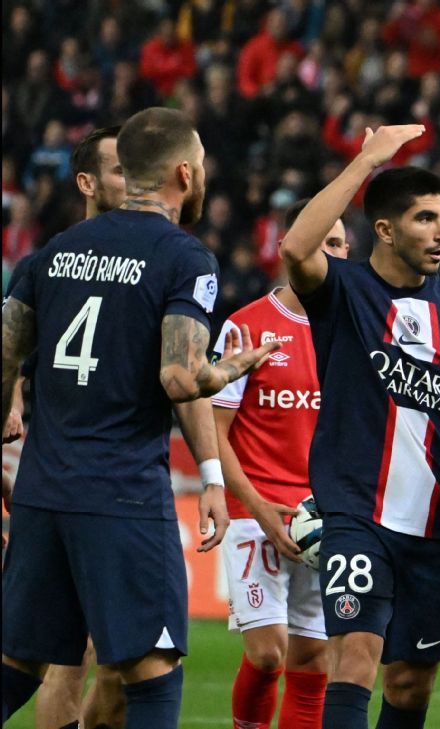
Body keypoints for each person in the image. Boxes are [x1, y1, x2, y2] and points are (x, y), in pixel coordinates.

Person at [1, 107, 278, 728]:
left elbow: (5, 349)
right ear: (185, 172)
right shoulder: (185, 259)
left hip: (44, 492)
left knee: (16, 666)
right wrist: (235, 366)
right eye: (202, 164)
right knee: (152, 677)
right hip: (123, 494)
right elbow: (181, 377)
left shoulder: (51, 253)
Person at [277, 124, 440, 729]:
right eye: (425, 218)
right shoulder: (343, 291)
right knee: (355, 657)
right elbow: (296, 249)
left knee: (411, 681)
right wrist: (366, 160)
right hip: (356, 511)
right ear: (388, 230)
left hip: (436, 519)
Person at [7, 124, 130, 729]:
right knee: (75, 656)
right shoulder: (56, 263)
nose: (132, 181)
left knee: (79, 655)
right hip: (78, 478)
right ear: (85, 181)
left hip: (78, 479)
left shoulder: (50, 260)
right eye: (117, 169)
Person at [212, 200, 350, 729]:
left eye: (340, 245)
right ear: (293, 246)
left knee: (313, 660)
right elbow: (214, 432)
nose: (334, 254)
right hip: (255, 511)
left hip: (325, 518)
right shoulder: (247, 328)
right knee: (269, 654)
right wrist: (256, 508)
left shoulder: (354, 331)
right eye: (325, 241)